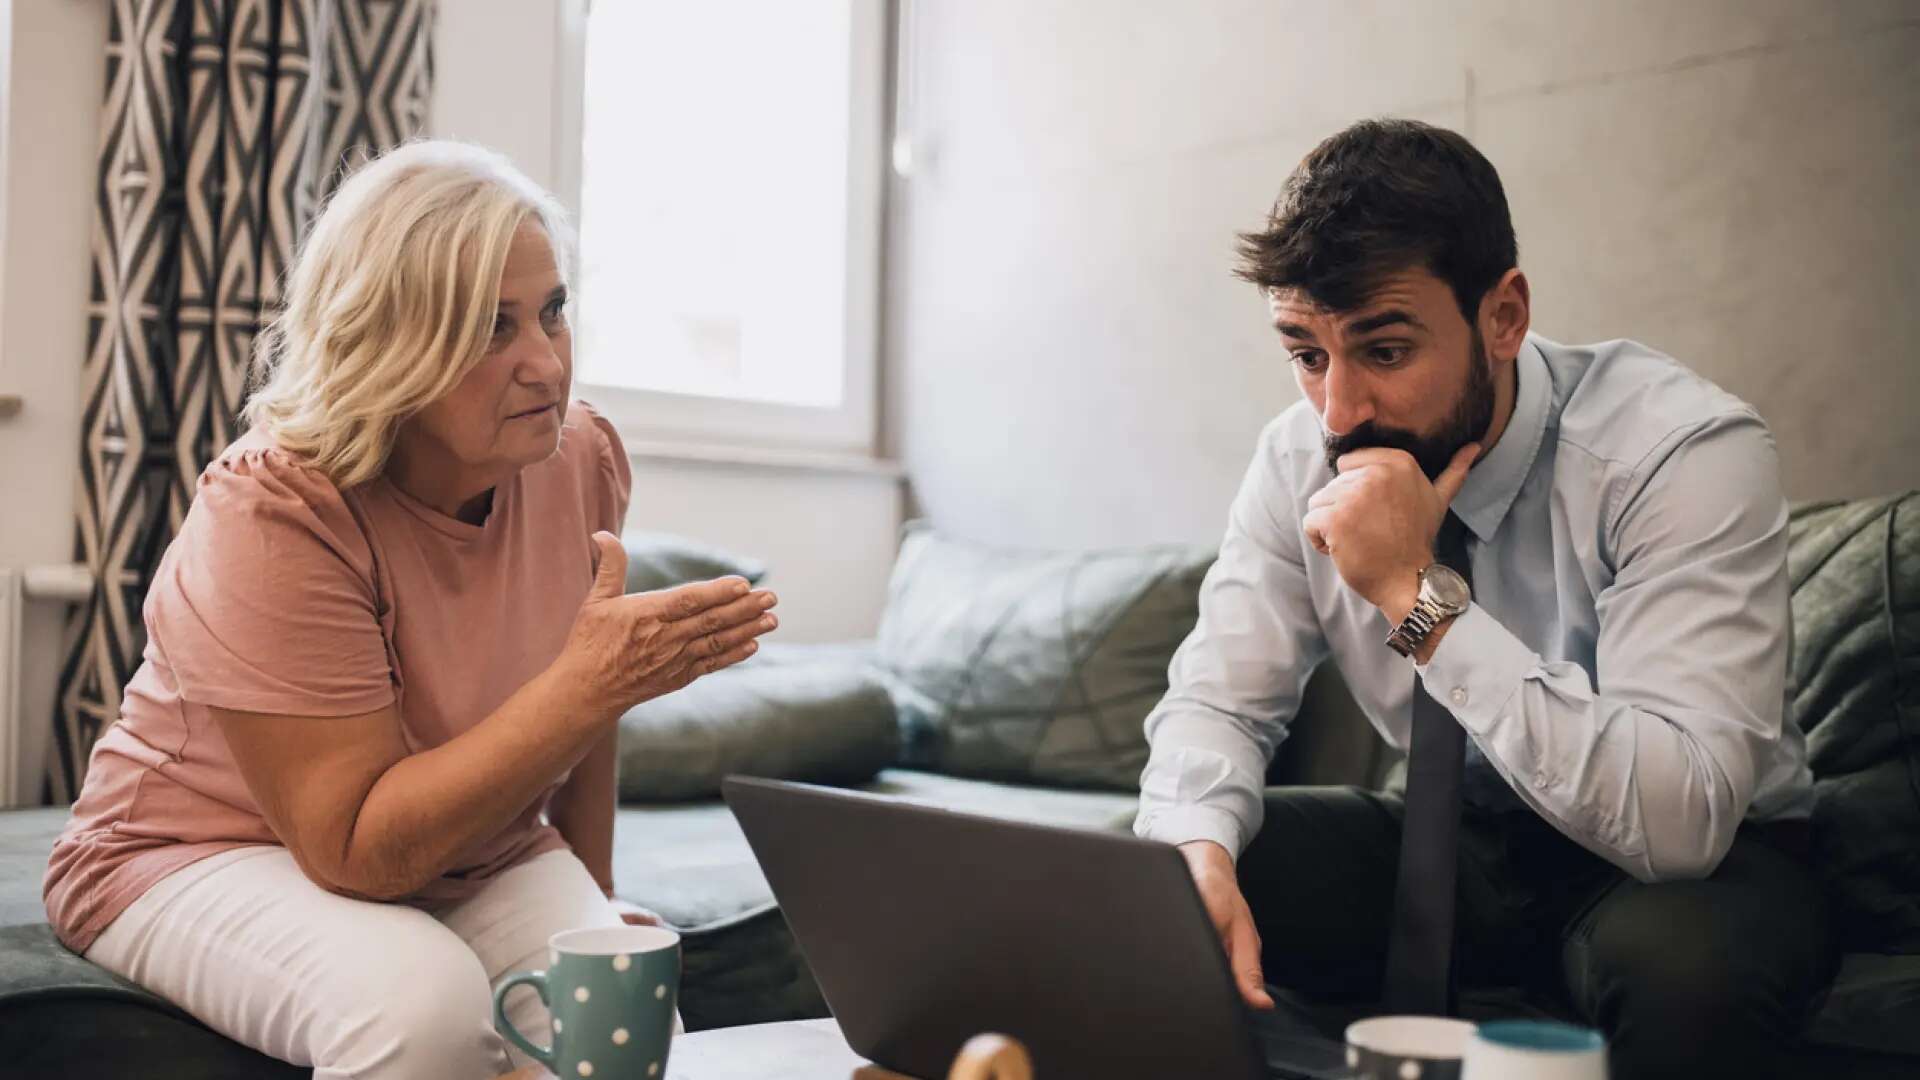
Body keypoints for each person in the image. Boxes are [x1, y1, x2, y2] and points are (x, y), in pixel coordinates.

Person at [42, 140, 780, 1078]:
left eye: (552, 312)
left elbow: (586, 707)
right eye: (489, 328)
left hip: (471, 843)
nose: (547, 366)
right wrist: (591, 684)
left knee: (623, 1016)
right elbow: (354, 847)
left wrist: (596, 898)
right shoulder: (277, 509)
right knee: (420, 1007)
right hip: (198, 848)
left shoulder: (579, 456)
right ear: (389, 340)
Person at [1133, 118, 1832, 1079]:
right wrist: (1196, 845)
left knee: (1685, 969)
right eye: (1305, 354)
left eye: (1384, 349)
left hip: (1698, 861)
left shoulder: (1678, 449)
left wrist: (1416, 597)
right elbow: (1217, 701)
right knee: (1144, 884)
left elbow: (1680, 819)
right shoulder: (1296, 458)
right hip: (1459, 842)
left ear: (1503, 316)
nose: (1337, 412)